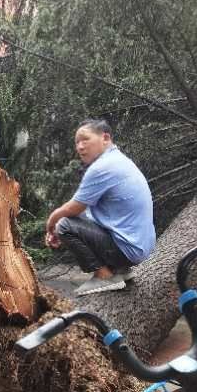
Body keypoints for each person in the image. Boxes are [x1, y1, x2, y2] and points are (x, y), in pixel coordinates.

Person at [45, 119, 155, 296]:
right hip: (138, 247)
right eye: (77, 142)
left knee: (63, 224)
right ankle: (121, 270)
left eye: (85, 139)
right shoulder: (118, 160)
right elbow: (83, 213)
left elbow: (72, 209)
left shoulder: (103, 167)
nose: (80, 147)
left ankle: (103, 276)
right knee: (78, 220)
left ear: (105, 138)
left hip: (128, 249)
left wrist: (51, 225)